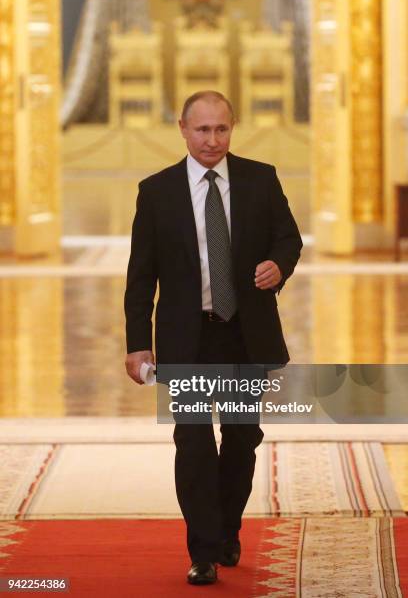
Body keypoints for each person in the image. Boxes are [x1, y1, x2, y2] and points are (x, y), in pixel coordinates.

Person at [124, 91, 302, 585]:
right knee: (194, 442)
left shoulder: (260, 179)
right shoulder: (155, 192)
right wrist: (138, 342)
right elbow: (141, 277)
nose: (212, 140)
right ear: (182, 128)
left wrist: (278, 265)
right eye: (202, 130)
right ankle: (203, 549)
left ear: (233, 127)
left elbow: (289, 238)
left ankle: (226, 527)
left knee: (243, 439)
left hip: (245, 336)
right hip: (187, 340)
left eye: (221, 129)